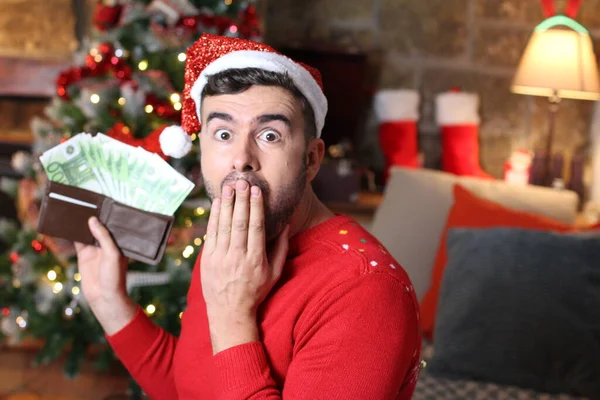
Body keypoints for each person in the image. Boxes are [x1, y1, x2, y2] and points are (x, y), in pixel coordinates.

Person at [75, 34, 422, 400]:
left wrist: (232, 317)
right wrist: (109, 301)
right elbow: (193, 388)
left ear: (311, 159)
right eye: (223, 133)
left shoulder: (366, 291)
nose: (242, 158)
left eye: (270, 135)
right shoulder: (231, 245)